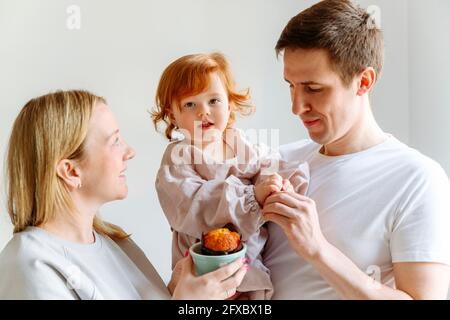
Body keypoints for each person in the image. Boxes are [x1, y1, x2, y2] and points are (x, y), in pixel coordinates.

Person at [262, 0, 450, 299]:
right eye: (291, 86)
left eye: (313, 88)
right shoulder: (278, 162)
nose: (297, 107)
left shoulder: (417, 178)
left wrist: (318, 250)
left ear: (364, 81)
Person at [0, 90, 247, 300]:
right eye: (115, 141)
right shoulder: (30, 264)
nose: (129, 152)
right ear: (71, 171)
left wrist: (175, 290)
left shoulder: (115, 242)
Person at [151, 52, 309, 299]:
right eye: (190, 104)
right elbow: (193, 204)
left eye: (213, 101)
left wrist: (282, 184)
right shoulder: (179, 157)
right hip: (202, 269)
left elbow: (268, 164)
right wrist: (252, 195)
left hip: (249, 267)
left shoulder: (239, 142)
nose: (204, 112)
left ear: (230, 103)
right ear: (173, 115)